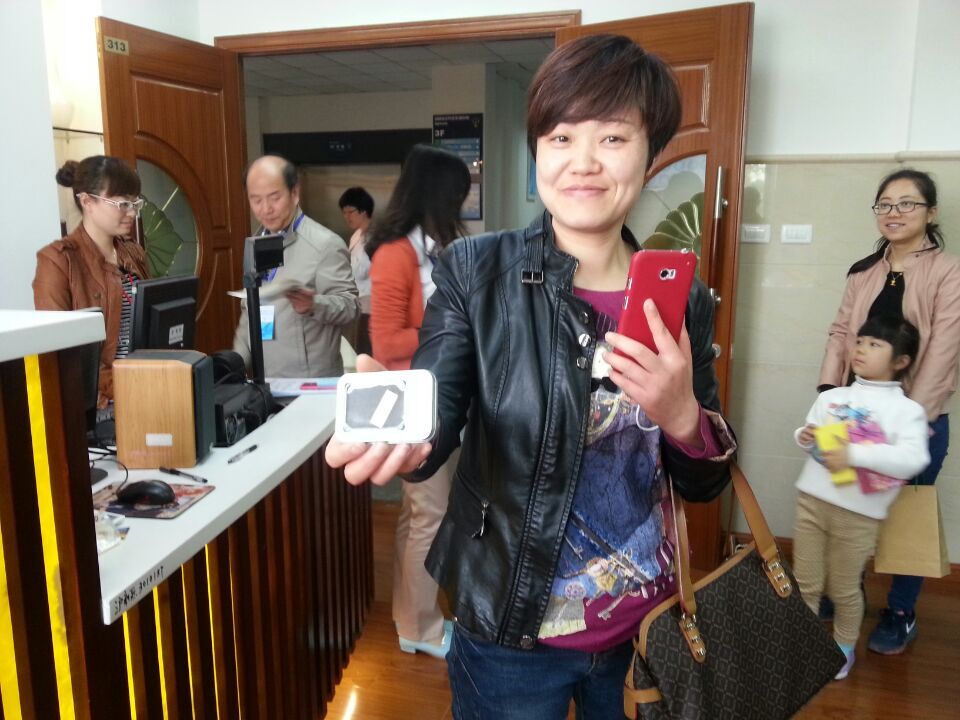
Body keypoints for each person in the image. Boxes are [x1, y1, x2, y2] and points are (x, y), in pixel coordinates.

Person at [326, 35, 736, 717]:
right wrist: (411, 437)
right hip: (510, 629)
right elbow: (440, 403)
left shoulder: (681, 300)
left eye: (613, 138)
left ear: (650, 152)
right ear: (537, 151)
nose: (583, 162)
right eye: (561, 137)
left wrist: (682, 417)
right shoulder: (476, 271)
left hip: (645, 628)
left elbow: (705, 481)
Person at [818, 169, 960, 655]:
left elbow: (944, 348)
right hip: (852, 411)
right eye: (885, 204)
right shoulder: (863, 271)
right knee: (845, 505)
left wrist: (913, 419)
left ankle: (901, 611)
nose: (894, 213)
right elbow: (841, 332)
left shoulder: (948, 271)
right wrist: (828, 392)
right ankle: (846, 589)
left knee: (905, 515)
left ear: (931, 213)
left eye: (907, 203)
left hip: (916, 419)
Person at [365, 144, 472, 659]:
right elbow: (385, 342)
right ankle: (420, 628)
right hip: (411, 404)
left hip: (431, 398)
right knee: (431, 513)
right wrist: (453, 330)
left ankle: (408, 614)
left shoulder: (426, 247)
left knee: (418, 514)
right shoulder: (395, 252)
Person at [794, 315, 930, 681]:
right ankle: (804, 646)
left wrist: (854, 454)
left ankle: (842, 648)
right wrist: (804, 436)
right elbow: (811, 433)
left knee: (843, 588)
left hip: (858, 514)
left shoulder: (908, 412)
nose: (861, 350)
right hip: (812, 502)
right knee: (805, 584)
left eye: (874, 344)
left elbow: (913, 459)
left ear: (901, 361)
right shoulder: (833, 397)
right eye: (859, 341)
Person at [33, 155, 149, 407]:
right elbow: (58, 353)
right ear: (87, 201)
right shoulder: (58, 260)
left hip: (146, 382)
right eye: (122, 204)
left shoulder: (133, 252)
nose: (131, 213)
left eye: (134, 203)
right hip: (101, 401)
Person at [233, 155, 359, 378]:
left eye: (274, 198)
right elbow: (249, 316)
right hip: (267, 382)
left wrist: (314, 304)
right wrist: (233, 368)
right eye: (256, 200)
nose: (266, 209)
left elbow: (351, 307)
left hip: (312, 386)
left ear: (294, 193)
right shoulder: (254, 245)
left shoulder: (324, 244)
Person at [339, 186, 375, 355]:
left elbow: (363, 271)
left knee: (367, 352)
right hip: (358, 305)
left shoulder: (375, 237)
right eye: (344, 213)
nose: (347, 217)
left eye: (350, 212)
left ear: (363, 211)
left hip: (372, 307)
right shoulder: (356, 236)